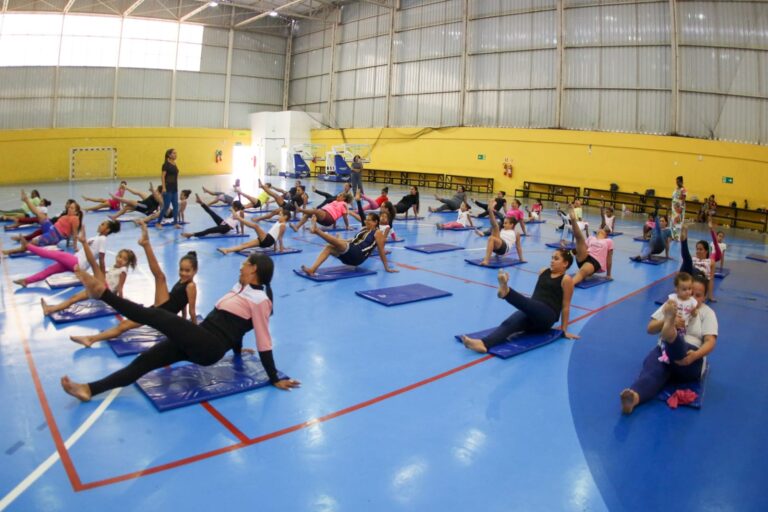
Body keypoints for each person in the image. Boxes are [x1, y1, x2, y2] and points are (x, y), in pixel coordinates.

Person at [60, 252, 301, 402]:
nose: (240, 267)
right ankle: (89, 389)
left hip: (209, 346)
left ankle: (102, 293)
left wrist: (273, 377)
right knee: (144, 361)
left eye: (245, 263)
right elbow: (239, 326)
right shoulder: (241, 288)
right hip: (198, 338)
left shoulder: (261, 300)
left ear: (254, 270)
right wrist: (238, 352)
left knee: (155, 315)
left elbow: (263, 339)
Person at [69, 224, 198, 347]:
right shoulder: (182, 282)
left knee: (160, 277)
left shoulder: (191, 286)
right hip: (160, 309)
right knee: (124, 325)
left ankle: (146, 244)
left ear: (195, 271)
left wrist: (193, 331)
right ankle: (91, 339)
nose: (183, 273)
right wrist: (182, 318)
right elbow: (182, 303)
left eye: (187, 271)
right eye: (181, 270)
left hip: (164, 311)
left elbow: (192, 311)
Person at [619, 273, 717, 414]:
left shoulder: (707, 313)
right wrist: (666, 321)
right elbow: (650, 328)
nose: (692, 296)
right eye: (688, 290)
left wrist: (695, 355)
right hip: (663, 352)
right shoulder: (672, 304)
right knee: (653, 373)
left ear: (705, 297)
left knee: (677, 345)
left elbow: (710, 342)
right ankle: (634, 398)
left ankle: (671, 333)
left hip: (690, 358)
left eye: (698, 295)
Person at [461, 249, 579, 353]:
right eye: (552, 258)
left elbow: (565, 306)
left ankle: (506, 292)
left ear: (565, 264)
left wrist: (563, 331)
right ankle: (483, 344)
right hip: (532, 310)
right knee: (508, 323)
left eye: (556, 259)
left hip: (547, 316)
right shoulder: (543, 271)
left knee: (529, 303)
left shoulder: (566, 279)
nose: (552, 261)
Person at [41, 230, 137, 316]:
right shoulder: (114, 267)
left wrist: (121, 304)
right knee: (74, 298)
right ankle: (50, 309)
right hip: (100, 289)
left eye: (124, 259)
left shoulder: (123, 270)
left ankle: (82, 272)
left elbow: (120, 288)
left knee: (95, 265)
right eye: (120, 256)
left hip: (106, 292)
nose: (120, 260)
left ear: (128, 263)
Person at [300, 193, 398, 276]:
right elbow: (352, 240)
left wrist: (387, 267)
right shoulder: (364, 229)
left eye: (369, 221)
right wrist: (340, 240)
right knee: (329, 247)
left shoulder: (378, 232)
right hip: (351, 255)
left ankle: (317, 231)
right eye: (366, 220)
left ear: (375, 222)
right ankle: (312, 270)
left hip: (358, 255)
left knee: (341, 244)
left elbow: (381, 251)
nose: (366, 222)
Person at [12, 219, 120, 287]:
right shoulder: (97, 237)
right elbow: (88, 250)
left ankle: (27, 245)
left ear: (107, 230)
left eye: (103, 224)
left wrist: (102, 278)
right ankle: (26, 281)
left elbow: (101, 259)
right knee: (49, 270)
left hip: (78, 263)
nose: (100, 225)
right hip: (75, 261)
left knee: (52, 254)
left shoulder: (103, 240)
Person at [2, 191, 82, 256]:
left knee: (33, 242)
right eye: (69, 207)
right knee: (40, 215)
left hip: (54, 236)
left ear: (76, 212)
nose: (69, 209)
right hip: (51, 228)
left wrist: (75, 247)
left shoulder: (75, 219)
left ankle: (9, 251)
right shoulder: (65, 215)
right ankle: (26, 200)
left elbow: (74, 234)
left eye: (72, 208)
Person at [568, 207, 613, 286]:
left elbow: (609, 259)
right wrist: (570, 253)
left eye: (604, 229)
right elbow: (581, 247)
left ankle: (570, 284)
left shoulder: (608, 241)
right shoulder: (591, 238)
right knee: (579, 239)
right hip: (585, 256)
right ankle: (573, 220)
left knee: (583, 271)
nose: (601, 229)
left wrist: (608, 274)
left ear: (606, 234)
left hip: (595, 262)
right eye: (600, 228)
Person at [218, 208, 288, 255]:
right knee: (245, 245)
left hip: (268, 240)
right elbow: (276, 235)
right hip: (265, 239)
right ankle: (227, 250)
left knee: (256, 226)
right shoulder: (279, 222)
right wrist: (275, 248)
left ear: (285, 217)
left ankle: (238, 218)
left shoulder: (283, 225)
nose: (278, 216)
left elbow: (279, 237)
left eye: (280, 215)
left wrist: (280, 249)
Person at [678, 224, 716, 302]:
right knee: (686, 260)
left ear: (706, 251)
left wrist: (710, 296)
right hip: (688, 277)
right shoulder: (692, 258)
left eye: (700, 249)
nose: (698, 251)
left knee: (687, 261)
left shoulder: (711, 262)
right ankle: (683, 239)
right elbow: (683, 269)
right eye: (697, 249)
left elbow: (711, 279)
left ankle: (684, 240)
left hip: (700, 278)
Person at [666, 272, 697, 340]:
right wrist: (669, 305)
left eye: (689, 289)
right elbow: (667, 309)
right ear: (677, 289)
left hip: (683, 326)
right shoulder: (673, 298)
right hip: (672, 324)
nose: (687, 292)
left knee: (679, 339)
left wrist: (694, 312)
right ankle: (664, 347)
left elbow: (695, 315)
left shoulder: (692, 301)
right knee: (667, 337)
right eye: (684, 289)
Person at [158, 148, 182, 229]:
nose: (176, 155)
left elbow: (175, 176)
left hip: (174, 188)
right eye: (174, 153)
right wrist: (164, 187)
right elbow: (163, 176)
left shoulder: (174, 163)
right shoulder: (165, 164)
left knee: (176, 206)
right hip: (167, 189)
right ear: (169, 155)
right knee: (166, 206)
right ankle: (158, 223)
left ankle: (175, 223)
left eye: (176, 153)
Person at [670, 175, 686, 240]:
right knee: (672, 222)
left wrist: (681, 208)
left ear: (681, 182)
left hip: (679, 208)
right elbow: (673, 198)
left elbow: (683, 199)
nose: (676, 183)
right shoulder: (676, 189)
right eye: (676, 181)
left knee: (678, 222)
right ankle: (673, 236)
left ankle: (678, 237)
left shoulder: (683, 190)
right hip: (673, 208)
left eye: (678, 181)